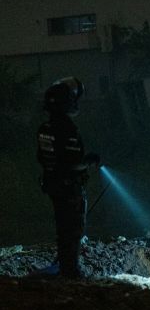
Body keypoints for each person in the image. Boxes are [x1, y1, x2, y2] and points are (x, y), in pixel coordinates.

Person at [37, 77, 99, 278]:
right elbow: (72, 163)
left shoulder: (45, 129)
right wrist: (88, 161)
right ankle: (70, 271)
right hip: (68, 187)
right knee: (72, 229)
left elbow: (43, 158)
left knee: (63, 228)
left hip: (53, 184)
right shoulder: (67, 129)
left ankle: (65, 267)